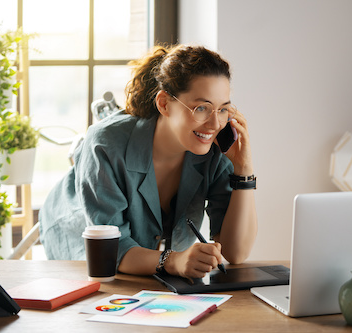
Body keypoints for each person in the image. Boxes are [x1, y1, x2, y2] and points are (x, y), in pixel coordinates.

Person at [39, 44, 257, 279]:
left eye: (223, 109)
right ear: (164, 104)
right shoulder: (105, 144)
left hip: (151, 258)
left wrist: (243, 170)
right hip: (78, 232)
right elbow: (112, 249)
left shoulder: (214, 150)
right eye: (201, 107)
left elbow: (236, 252)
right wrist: (173, 261)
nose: (215, 124)